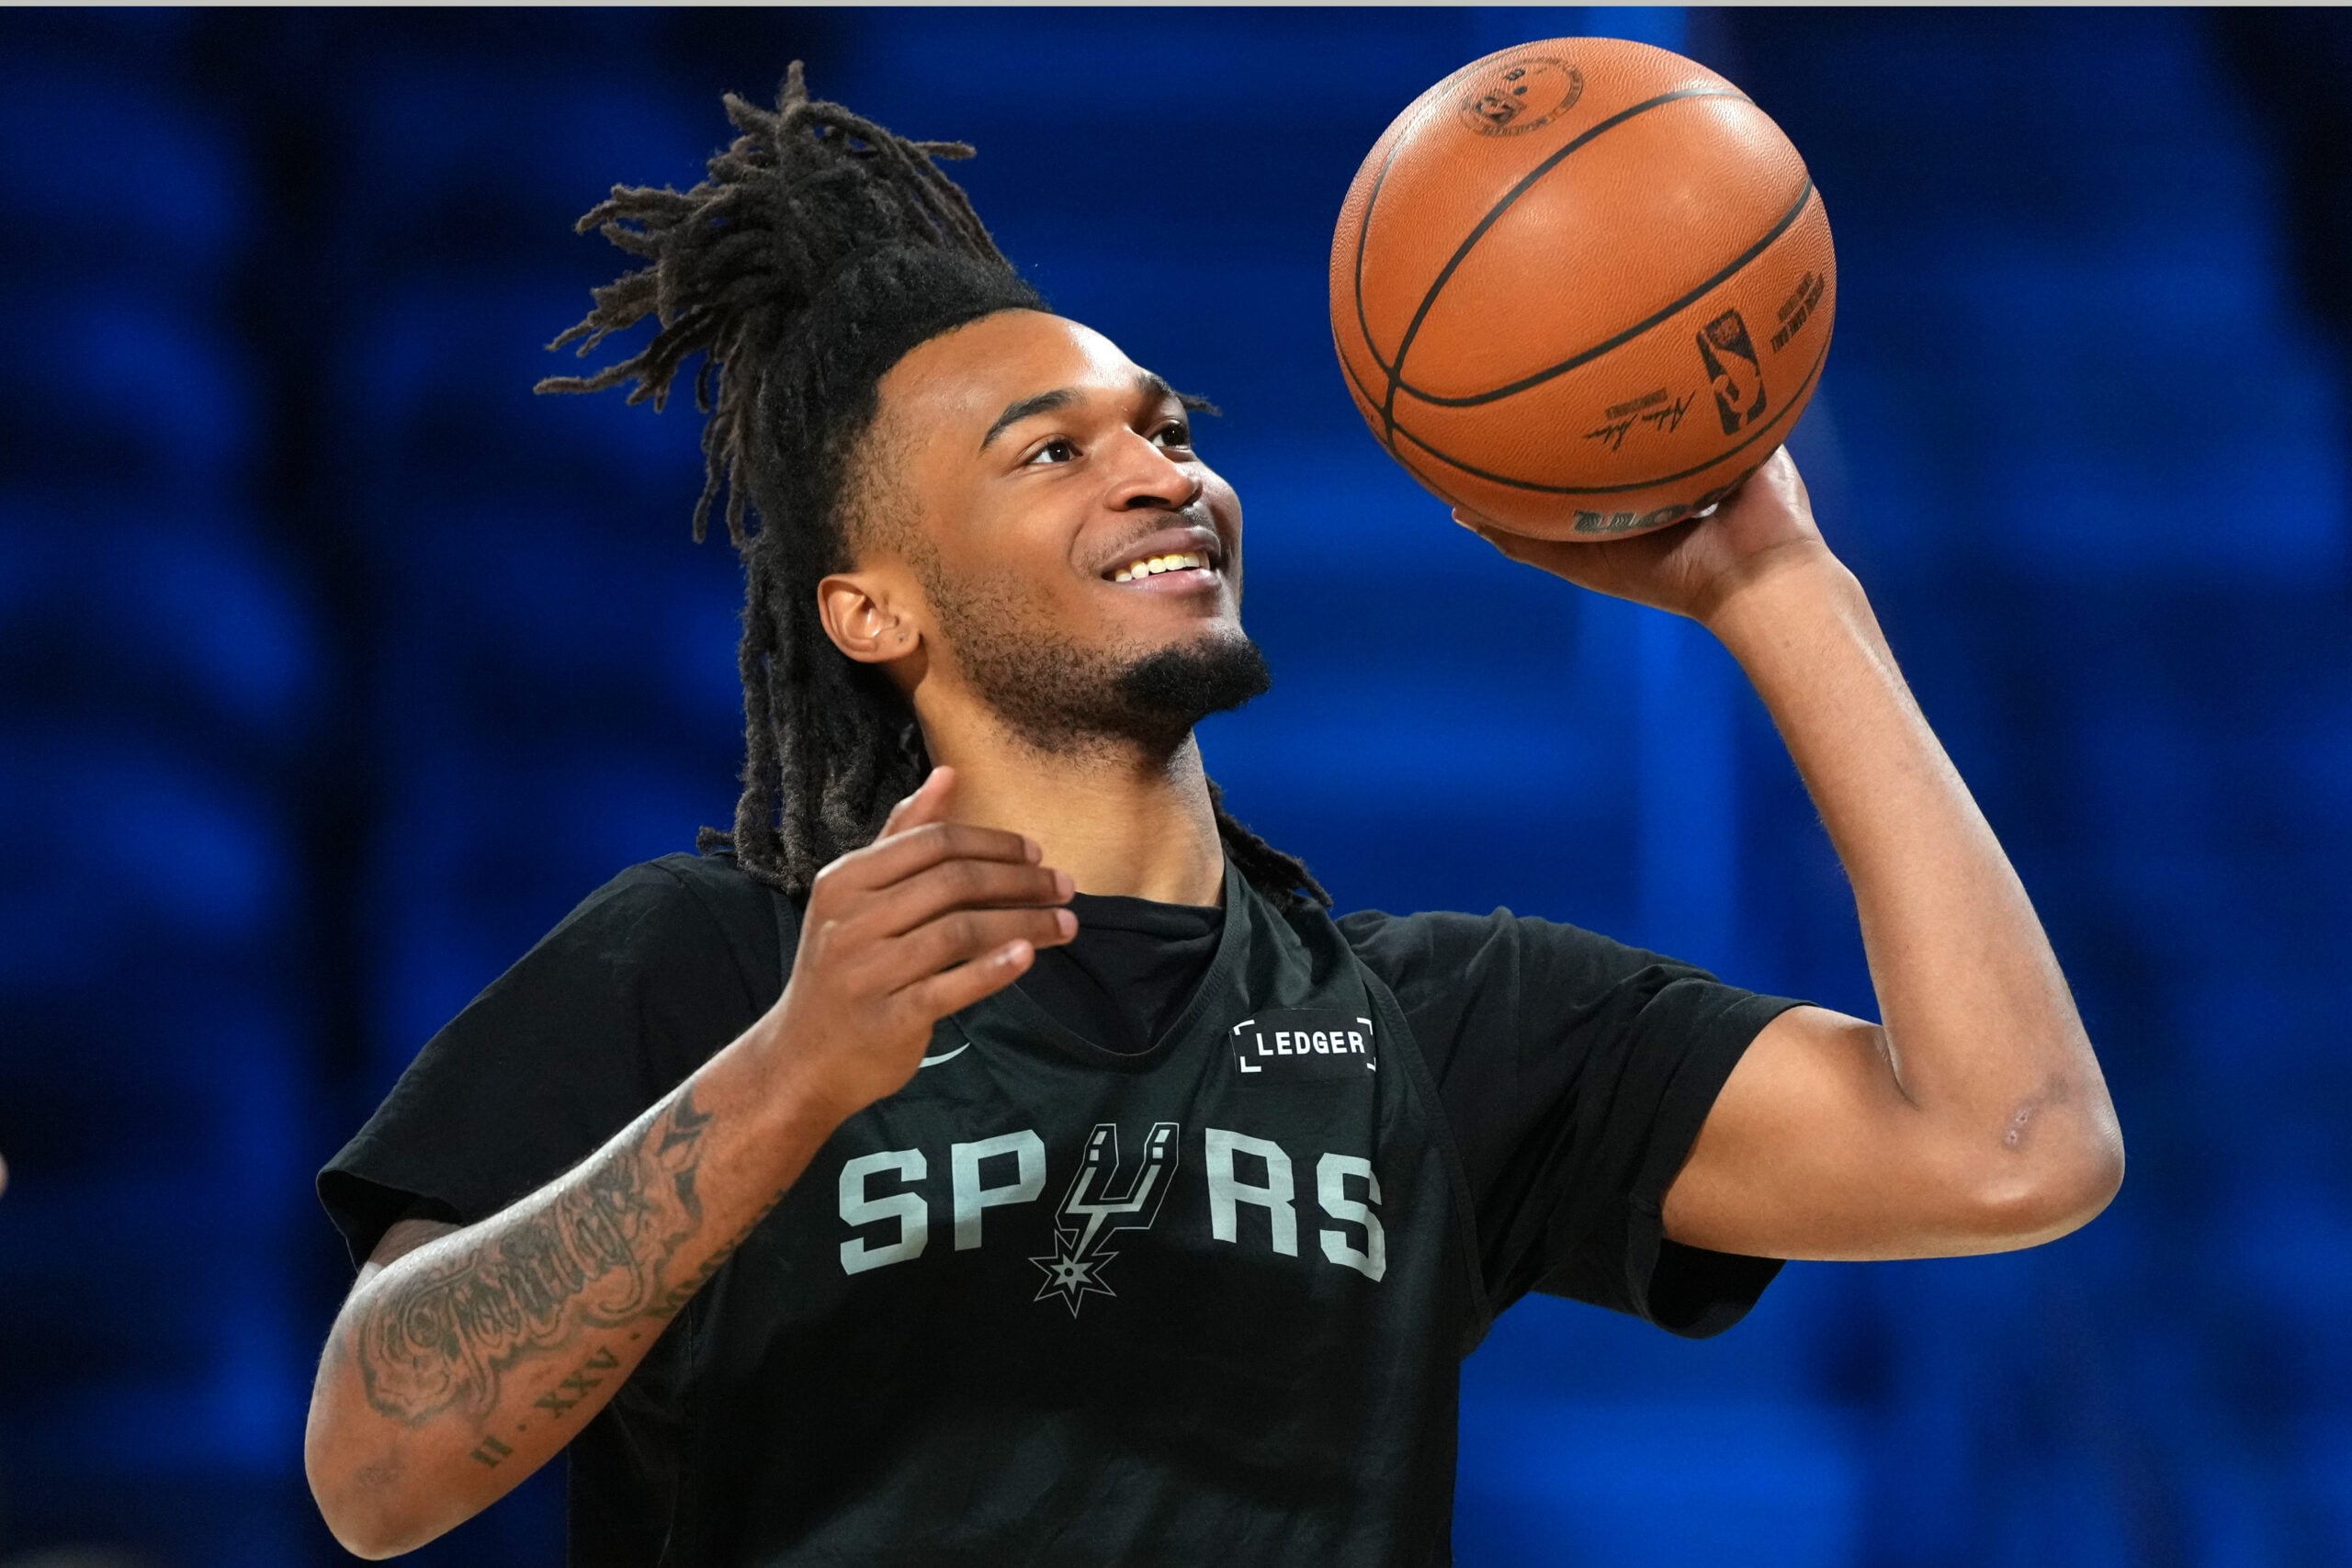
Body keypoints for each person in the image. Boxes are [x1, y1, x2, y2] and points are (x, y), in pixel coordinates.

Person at [301, 68, 2123, 1564]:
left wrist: (1777, 581)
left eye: (1165, 426)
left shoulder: (1441, 1022)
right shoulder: (701, 965)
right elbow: (376, 1469)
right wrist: (787, 1074)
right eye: (1052, 445)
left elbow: (2009, 1146)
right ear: (871, 607)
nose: (1159, 463)